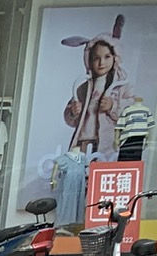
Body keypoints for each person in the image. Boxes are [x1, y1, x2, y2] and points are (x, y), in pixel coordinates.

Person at [61, 17, 133, 159]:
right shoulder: (83, 88)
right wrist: (73, 112)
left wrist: (113, 105)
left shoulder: (121, 87)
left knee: (100, 166)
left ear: (115, 57)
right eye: (96, 58)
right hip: (83, 139)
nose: (101, 63)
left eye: (107, 57)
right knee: (79, 167)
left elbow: (130, 111)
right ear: (89, 60)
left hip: (105, 142)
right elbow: (69, 118)